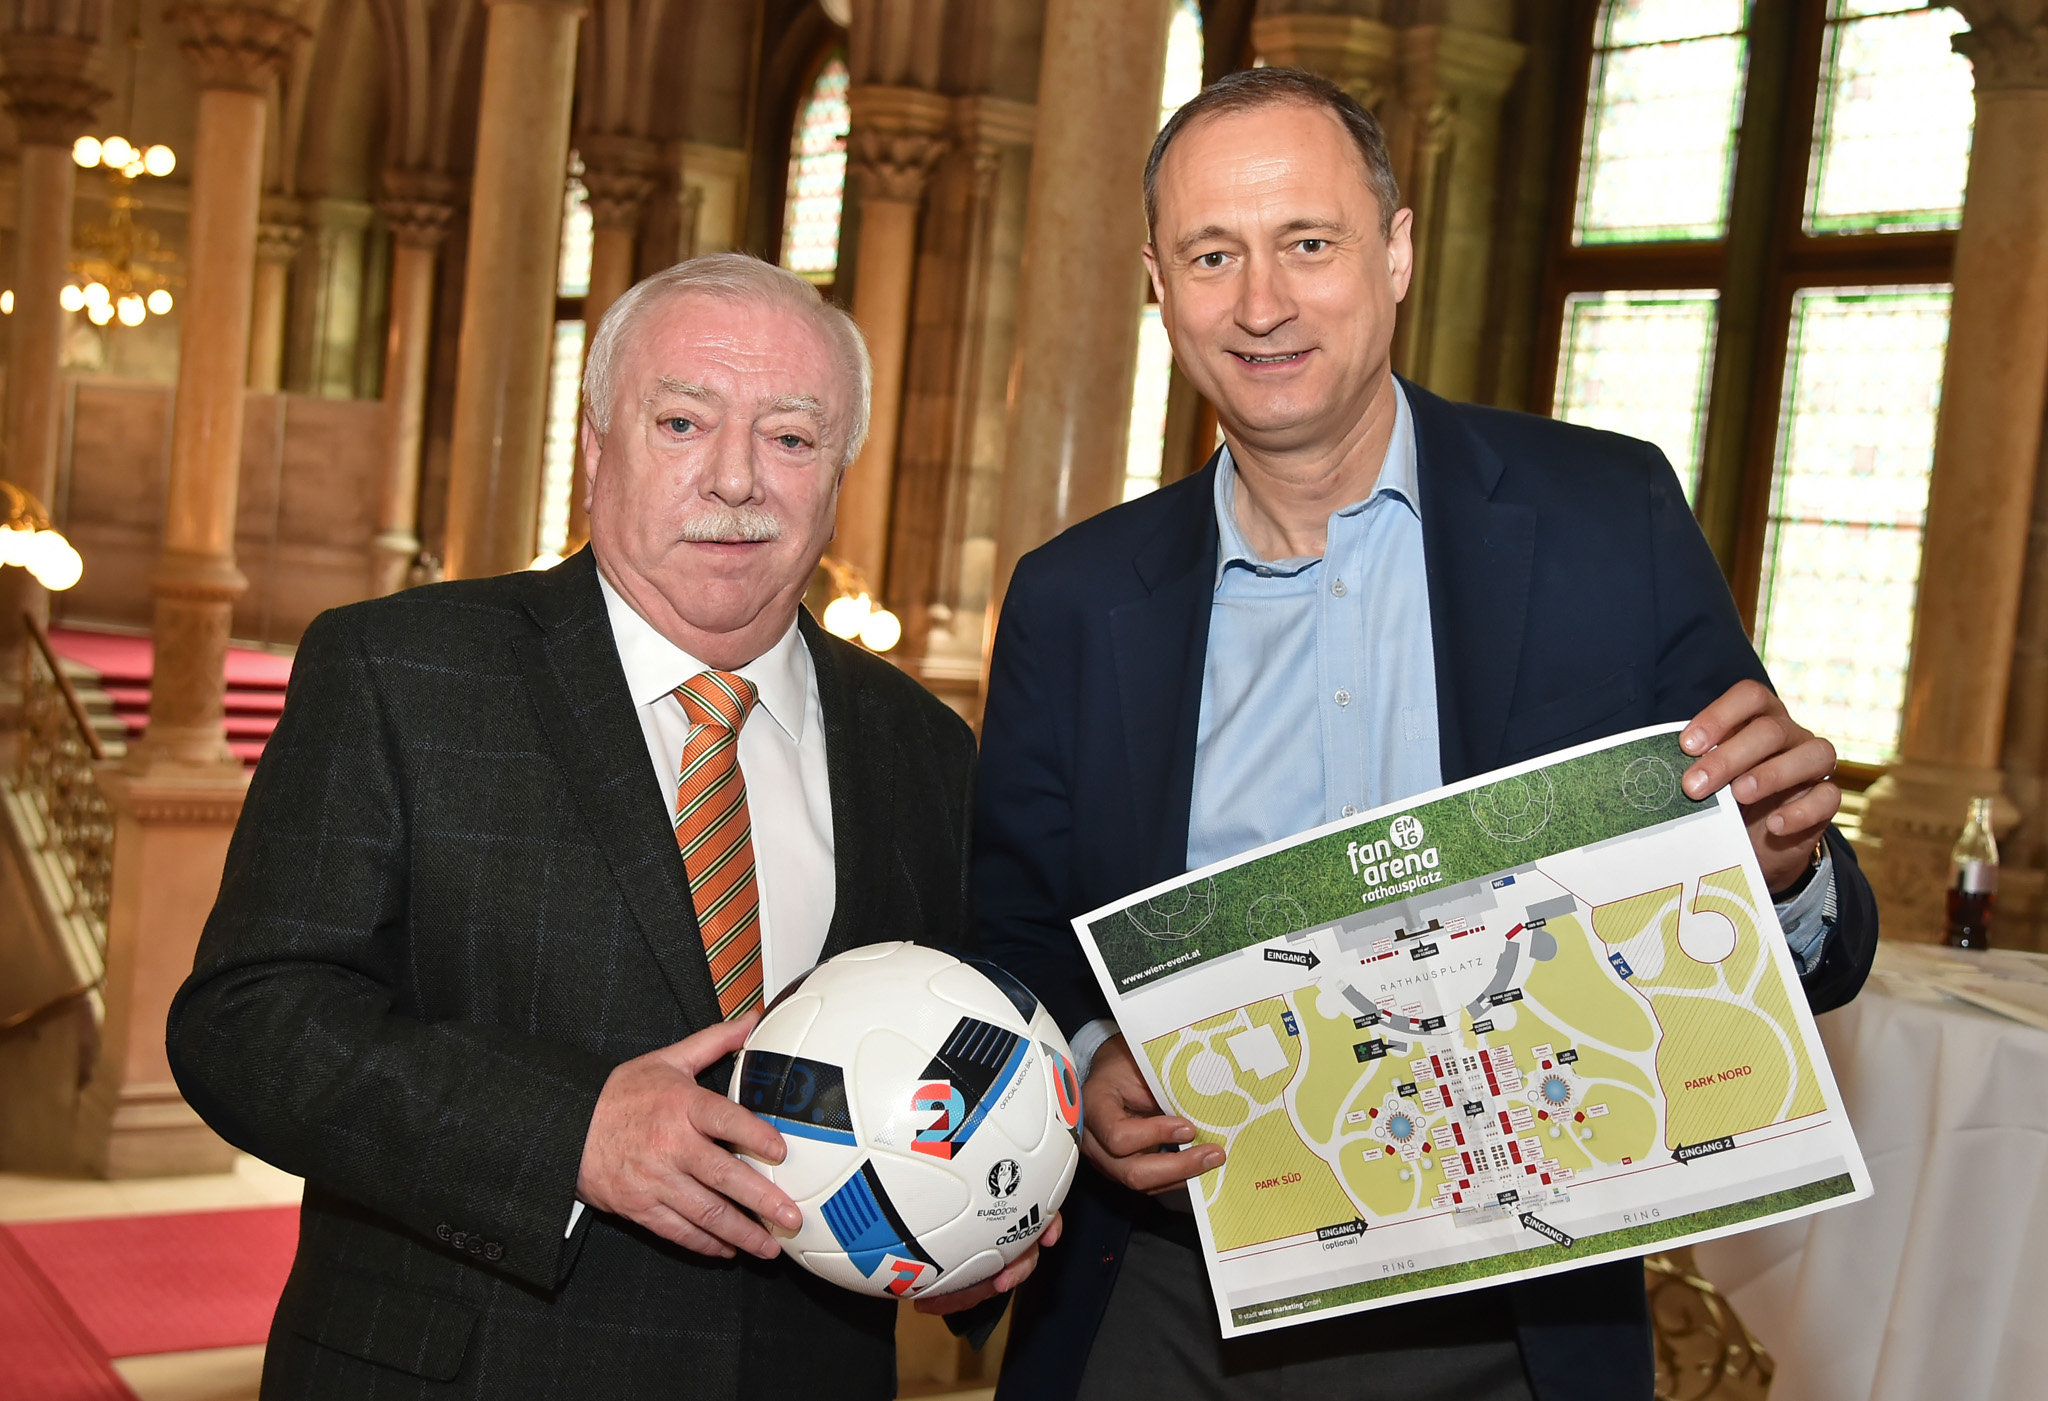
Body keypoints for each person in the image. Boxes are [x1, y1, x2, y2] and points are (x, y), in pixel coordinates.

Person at [974, 69, 1877, 1401]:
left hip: (1513, 1311)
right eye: (1213, 255)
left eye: (1310, 244)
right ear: (1159, 285)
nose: (1262, 303)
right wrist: (1093, 1057)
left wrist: (1787, 870)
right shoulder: (1072, 597)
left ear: (1395, 254)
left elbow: (1812, 931)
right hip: (1176, 1287)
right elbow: (1012, 925)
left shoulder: (1604, 522)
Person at [168, 254, 1041, 1399]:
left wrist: (959, 1235)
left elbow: (931, 1059)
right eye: (682, 422)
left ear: (839, 475)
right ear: (594, 449)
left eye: (790, 438)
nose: (736, 481)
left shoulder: (921, 747)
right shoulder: (403, 671)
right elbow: (246, 1025)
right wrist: (564, 1131)